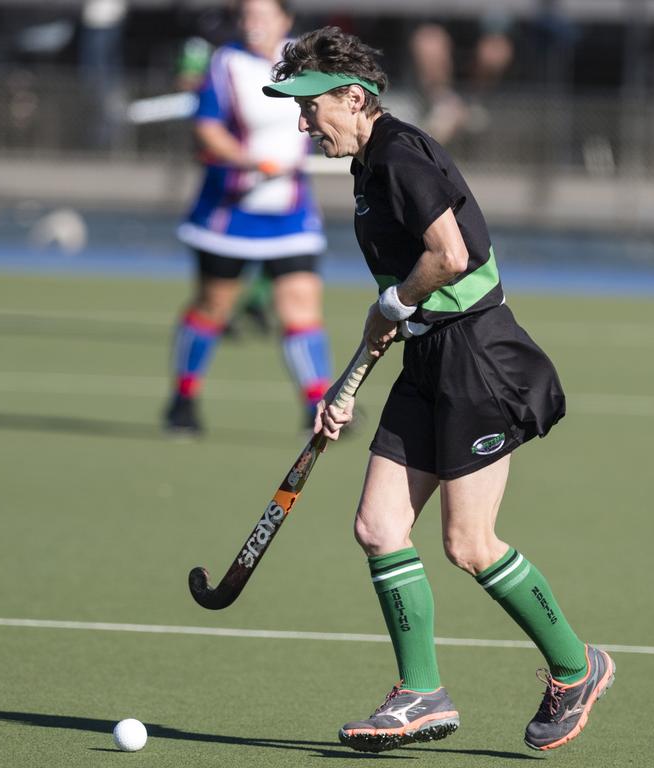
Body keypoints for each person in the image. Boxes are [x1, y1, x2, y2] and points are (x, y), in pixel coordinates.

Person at [263, 27, 614, 754]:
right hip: (427, 361)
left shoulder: (398, 154)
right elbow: (396, 304)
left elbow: (448, 257)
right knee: (378, 527)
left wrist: (393, 307)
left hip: (479, 360)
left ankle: (577, 667)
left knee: (470, 543)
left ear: (353, 99)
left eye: (308, 107)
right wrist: (348, 381)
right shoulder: (366, 166)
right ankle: (421, 693)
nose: (302, 123)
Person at [164, 0, 332, 434]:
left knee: (300, 306)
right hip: (229, 212)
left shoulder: (308, 59)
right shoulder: (226, 63)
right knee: (213, 306)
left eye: (263, 15)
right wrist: (247, 160)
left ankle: (317, 406)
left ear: (286, 19)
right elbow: (207, 127)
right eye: (246, 16)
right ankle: (183, 399)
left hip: (290, 211)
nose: (252, 24)